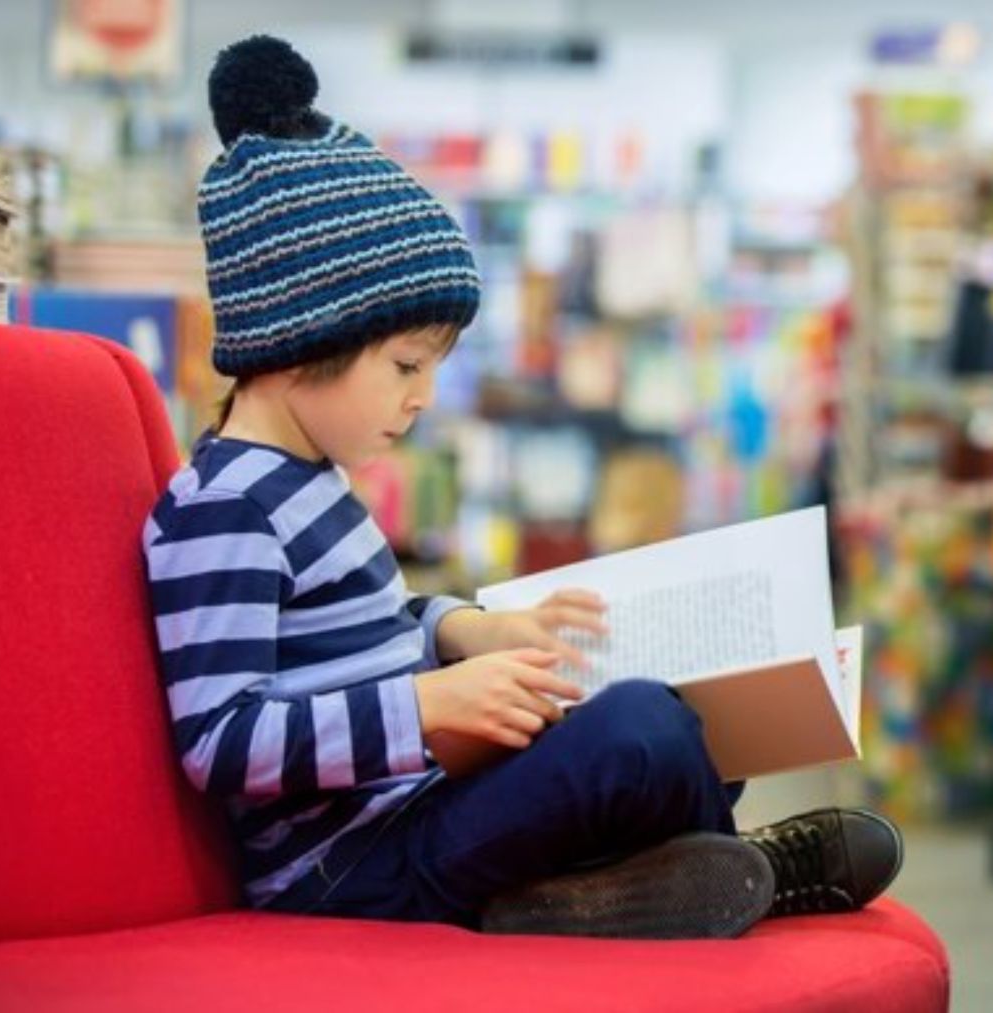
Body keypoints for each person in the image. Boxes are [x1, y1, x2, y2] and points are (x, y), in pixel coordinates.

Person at [142, 35, 901, 939]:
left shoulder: (310, 479)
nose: (423, 397)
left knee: (680, 718)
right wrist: (426, 708)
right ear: (298, 340)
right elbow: (220, 740)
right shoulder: (224, 508)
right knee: (638, 735)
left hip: (418, 805)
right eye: (406, 364)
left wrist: (467, 629)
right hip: (351, 865)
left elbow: (361, 630)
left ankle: (602, 888)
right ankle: (749, 871)